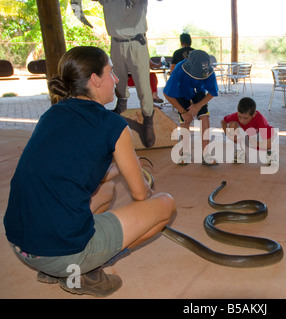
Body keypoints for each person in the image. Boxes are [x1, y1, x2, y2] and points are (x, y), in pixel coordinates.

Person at [3, 46, 176, 297]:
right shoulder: (112, 124)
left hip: (23, 246)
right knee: (166, 204)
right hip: (59, 255)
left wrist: (120, 170)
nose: (116, 80)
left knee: (106, 190)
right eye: (111, 73)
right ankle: (84, 270)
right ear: (95, 80)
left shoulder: (52, 114)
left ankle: (61, 268)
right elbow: (141, 196)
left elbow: (71, 173)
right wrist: (144, 184)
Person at [95, 0, 156, 148]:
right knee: (118, 79)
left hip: (137, 41)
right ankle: (121, 104)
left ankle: (148, 119)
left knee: (143, 84)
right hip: (116, 41)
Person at [163, 49, 219, 166]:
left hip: (198, 91)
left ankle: (206, 154)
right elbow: (167, 94)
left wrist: (199, 105)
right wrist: (183, 112)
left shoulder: (209, 71)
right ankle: (185, 153)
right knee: (186, 120)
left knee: (205, 117)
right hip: (181, 92)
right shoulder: (179, 70)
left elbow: (213, 92)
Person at [221, 97, 276, 165]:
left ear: (253, 115)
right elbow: (223, 121)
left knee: (268, 143)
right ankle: (240, 152)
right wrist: (227, 134)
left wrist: (254, 143)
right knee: (232, 124)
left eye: (245, 118)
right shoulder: (236, 115)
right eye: (239, 117)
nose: (242, 120)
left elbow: (267, 143)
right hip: (248, 137)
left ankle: (270, 154)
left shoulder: (259, 119)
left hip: (259, 137)